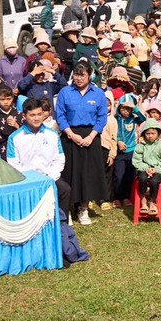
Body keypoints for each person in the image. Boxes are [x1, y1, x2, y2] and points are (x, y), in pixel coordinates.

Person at [55, 61, 110, 225]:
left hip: (91, 136)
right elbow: (60, 116)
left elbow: (102, 118)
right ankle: (68, 210)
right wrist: (72, 135)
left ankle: (84, 208)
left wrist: (91, 137)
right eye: (76, 74)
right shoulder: (65, 92)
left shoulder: (98, 93)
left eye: (82, 75)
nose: (79, 78)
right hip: (70, 136)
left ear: (90, 75)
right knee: (69, 173)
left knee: (88, 174)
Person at [7, 98, 70, 216]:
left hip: (49, 177)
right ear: (24, 116)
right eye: (32, 115)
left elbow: (59, 158)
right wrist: (31, 179)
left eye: (39, 114)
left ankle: (62, 225)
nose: (36, 118)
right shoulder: (15, 138)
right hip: (26, 180)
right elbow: (13, 164)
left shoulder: (52, 135)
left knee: (65, 190)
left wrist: (50, 177)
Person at [132, 118, 161, 216]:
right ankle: (143, 200)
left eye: (153, 133)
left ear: (158, 133)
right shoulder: (140, 146)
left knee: (154, 181)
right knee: (142, 178)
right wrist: (146, 168)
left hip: (158, 170)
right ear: (144, 134)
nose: (150, 136)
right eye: (148, 133)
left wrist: (156, 169)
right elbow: (137, 161)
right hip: (143, 169)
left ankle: (153, 202)